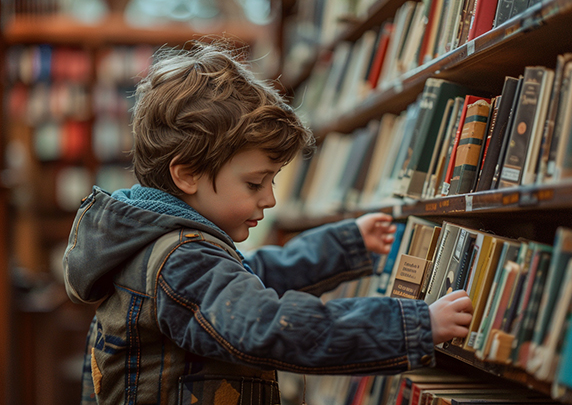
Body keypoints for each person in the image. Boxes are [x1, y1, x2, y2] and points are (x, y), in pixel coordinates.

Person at [63, 41, 473, 405]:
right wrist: (414, 325)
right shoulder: (180, 260)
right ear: (186, 174)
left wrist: (345, 246)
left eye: (272, 181)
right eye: (255, 182)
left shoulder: (161, 246)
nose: (270, 198)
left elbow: (253, 276)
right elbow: (271, 326)